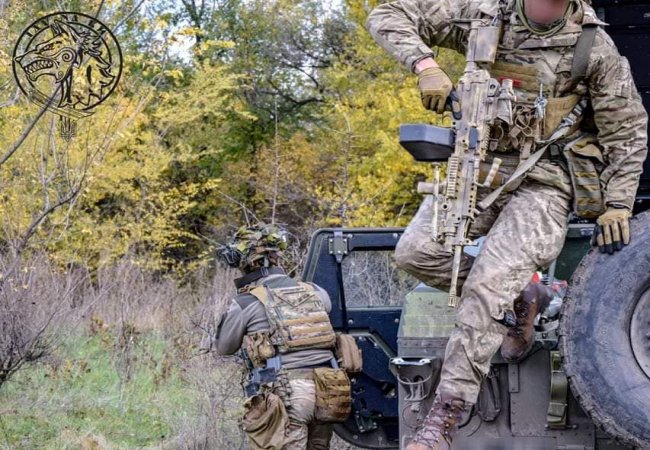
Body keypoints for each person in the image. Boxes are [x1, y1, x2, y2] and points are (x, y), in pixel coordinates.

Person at [366, 0, 648, 449]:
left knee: (486, 287)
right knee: (416, 252)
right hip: (479, 167)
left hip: (546, 182)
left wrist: (618, 203)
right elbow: (387, 14)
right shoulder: (483, 16)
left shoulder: (592, 47)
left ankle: (443, 421)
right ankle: (523, 299)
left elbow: (627, 129)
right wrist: (425, 65)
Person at [214, 223, 350, 450]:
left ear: (246, 263)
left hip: (290, 391)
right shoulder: (315, 291)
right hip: (329, 388)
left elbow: (225, 347)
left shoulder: (247, 302)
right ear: (277, 257)